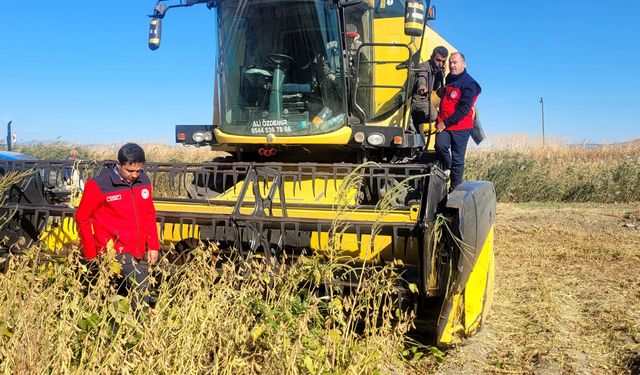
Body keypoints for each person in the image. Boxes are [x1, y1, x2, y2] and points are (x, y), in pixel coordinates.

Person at [75, 143, 159, 310]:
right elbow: (82, 218)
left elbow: (149, 213)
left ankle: (114, 326)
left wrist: (153, 246)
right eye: (130, 170)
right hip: (114, 249)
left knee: (119, 292)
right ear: (118, 164)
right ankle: (139, 329)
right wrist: (90, 253)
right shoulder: (99, 185)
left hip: (138, 248)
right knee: (141, 285)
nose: (135, 175)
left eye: (138, 170)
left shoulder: (144, 181)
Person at [435, 51, 481, 191]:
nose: (452, 66)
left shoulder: (470, 84)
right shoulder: (450, 78)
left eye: (455, 62)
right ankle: (448, 168)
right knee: (440, 146)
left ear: (464, 64)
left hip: (461, 127)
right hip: (445, 125)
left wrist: (444, 123)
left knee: (458, 159)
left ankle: (454, 191)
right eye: (450, 63)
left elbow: (464, 110)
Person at [411, 46, 448, 129]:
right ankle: (413, 119)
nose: (440, 64)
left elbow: (435, 88)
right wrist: (422, 85)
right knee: (434, 115)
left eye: (443, 61)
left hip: (427, 98)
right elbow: (422, 76)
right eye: (438, 60)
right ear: (431, 57)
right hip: (417, 99)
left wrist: (442, 74)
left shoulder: (438, 70)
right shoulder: (425, 66)